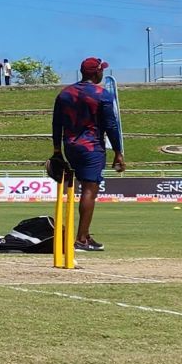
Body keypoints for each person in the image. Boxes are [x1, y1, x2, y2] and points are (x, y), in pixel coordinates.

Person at [53, 57, 124, 251]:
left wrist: (57, 151)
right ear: (95, 73)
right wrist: (118, 152)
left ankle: (85, 235)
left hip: (70, 146)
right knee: (89, 190)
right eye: (101, 70)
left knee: (84, 189)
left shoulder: (64, 94)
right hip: (91, 147)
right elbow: (111, 125)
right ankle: (81, 239)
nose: (103, 73)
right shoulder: (102, 94)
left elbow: (56, 124)